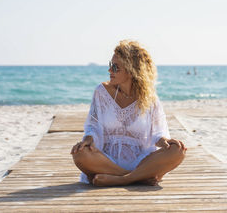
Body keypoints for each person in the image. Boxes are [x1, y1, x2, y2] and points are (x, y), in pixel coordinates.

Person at [70, 40, 186, 187]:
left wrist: (164, 141)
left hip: (142, 161)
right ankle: (137, 177)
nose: (109, 71)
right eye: (110, 65)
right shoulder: (101, 91)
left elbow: (158, 132)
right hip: (106, 161)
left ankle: (121, 179)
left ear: (132, 70)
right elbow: (93, 125)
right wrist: (88, 139)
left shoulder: (149, 97)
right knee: (80, 154)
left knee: (178, 151)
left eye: (115, 67)